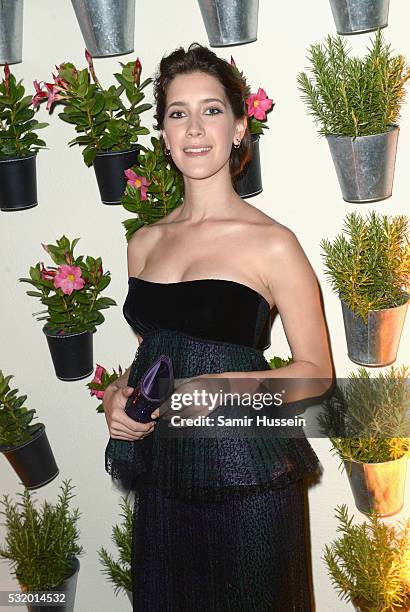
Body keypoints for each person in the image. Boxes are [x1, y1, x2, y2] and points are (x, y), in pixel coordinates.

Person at [104, 42, 334, 611]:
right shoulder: (143, 243)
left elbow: (316, 374)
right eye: (178, 113)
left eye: (211, 109)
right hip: (164, 475)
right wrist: (116, 396)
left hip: (245, 473)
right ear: (163, 133)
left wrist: (209, 394)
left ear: (237, 129)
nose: (194, 128)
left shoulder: (273, 243)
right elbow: (153, 356)